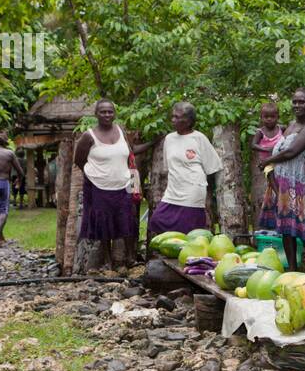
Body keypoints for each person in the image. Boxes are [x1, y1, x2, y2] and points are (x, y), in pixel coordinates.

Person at [259, 87, 305, 273]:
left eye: (302, 102)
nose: (297, 105)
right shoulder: (290, 125)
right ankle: (293, 271)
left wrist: (267, 161)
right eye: (294, 101)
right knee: (287, 229)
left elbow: (291, 152)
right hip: (285, 184)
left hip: (301, 182)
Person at [73, 99, 140, 269]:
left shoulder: (121, 131)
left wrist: (154, 143)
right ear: (96, 114)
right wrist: (95, 174)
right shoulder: (89, 135)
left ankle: (130, 257)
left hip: (124, 184)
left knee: (127, 219)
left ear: (114, 113)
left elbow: (130, 153)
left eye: (110, 111)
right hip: (100, 187)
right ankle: (108, 261)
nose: (107, 115)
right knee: (104, 223)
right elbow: (79, 160)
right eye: (103, 111)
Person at [147, 102, 219, 238]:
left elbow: (212, 168)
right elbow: (169, 167)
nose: (173, 120)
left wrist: (202, 189)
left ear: (189, 121)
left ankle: (187, 256)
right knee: (157, 220)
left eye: (177, 117)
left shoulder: (199, 138)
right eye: (172, 116)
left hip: (193, 190)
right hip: (173, 190)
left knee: (189, 230)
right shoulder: (169, 139)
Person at [249, 102, 283, 228]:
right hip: (267, 161)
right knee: (269, 172)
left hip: (280, 161)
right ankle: (278, 193)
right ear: (261, 117)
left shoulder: (281, 129)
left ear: (277, 117)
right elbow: (253, 145)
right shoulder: (260, 132)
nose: (269, 119)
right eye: (266, 117)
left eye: (272, 117)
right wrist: (266, 149)